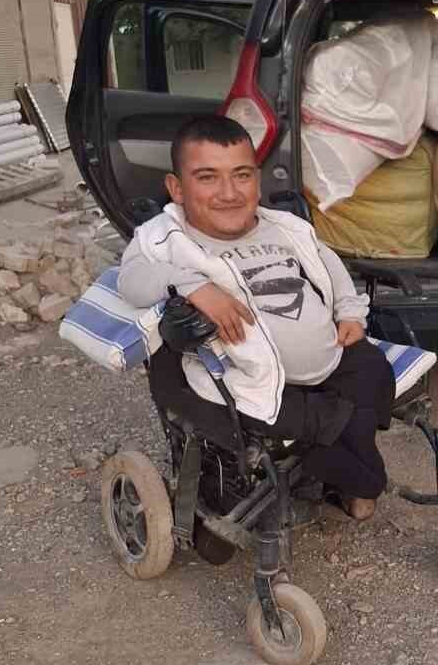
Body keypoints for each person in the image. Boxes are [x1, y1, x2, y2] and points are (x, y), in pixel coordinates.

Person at [118, 113, 394, 521]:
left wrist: (349, 311)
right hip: (250, 380)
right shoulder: (166, 240)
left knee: (374, 373)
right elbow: (130, 280)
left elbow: (330, 266)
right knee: (323, 424)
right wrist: (192, 285)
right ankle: (357, 480)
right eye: (207, 177)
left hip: (329, 357)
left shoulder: (284, 228)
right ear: (176, 188)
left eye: (242, 175)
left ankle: (340, 459)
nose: (229, 193)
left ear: (258, 181)